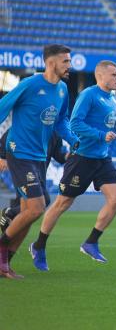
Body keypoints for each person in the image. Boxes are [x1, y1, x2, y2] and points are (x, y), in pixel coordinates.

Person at [30, 61, 116, 270]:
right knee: (63, 203)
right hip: (81, 157)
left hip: (102, 157)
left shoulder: (112, 96)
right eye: (114, 75)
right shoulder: (89, 95)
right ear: (101, 76)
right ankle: (39, 245)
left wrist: (102, 138)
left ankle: (91, 242)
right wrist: (101, 135)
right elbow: (75, 123)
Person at [0, 44, 79, 279]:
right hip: (20, 153)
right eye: (65, 61)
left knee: (30, 211)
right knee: (36, 207)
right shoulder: (30, 84)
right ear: (51, 62)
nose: (69, 65)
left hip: (39, 157)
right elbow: (2, 108)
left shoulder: (63, 90)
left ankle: (5, 263)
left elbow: (61, 122)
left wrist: (74, 141)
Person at [0, 130, 68, 235]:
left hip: (40, 175)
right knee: (43, 200)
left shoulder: (54, 134)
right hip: (23, 170)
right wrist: (3, 156)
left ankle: (8, 238)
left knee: (27, 208)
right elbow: (8, 135)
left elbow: (59, 156)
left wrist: (69, 156)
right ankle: (9, 216)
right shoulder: (30, 124)